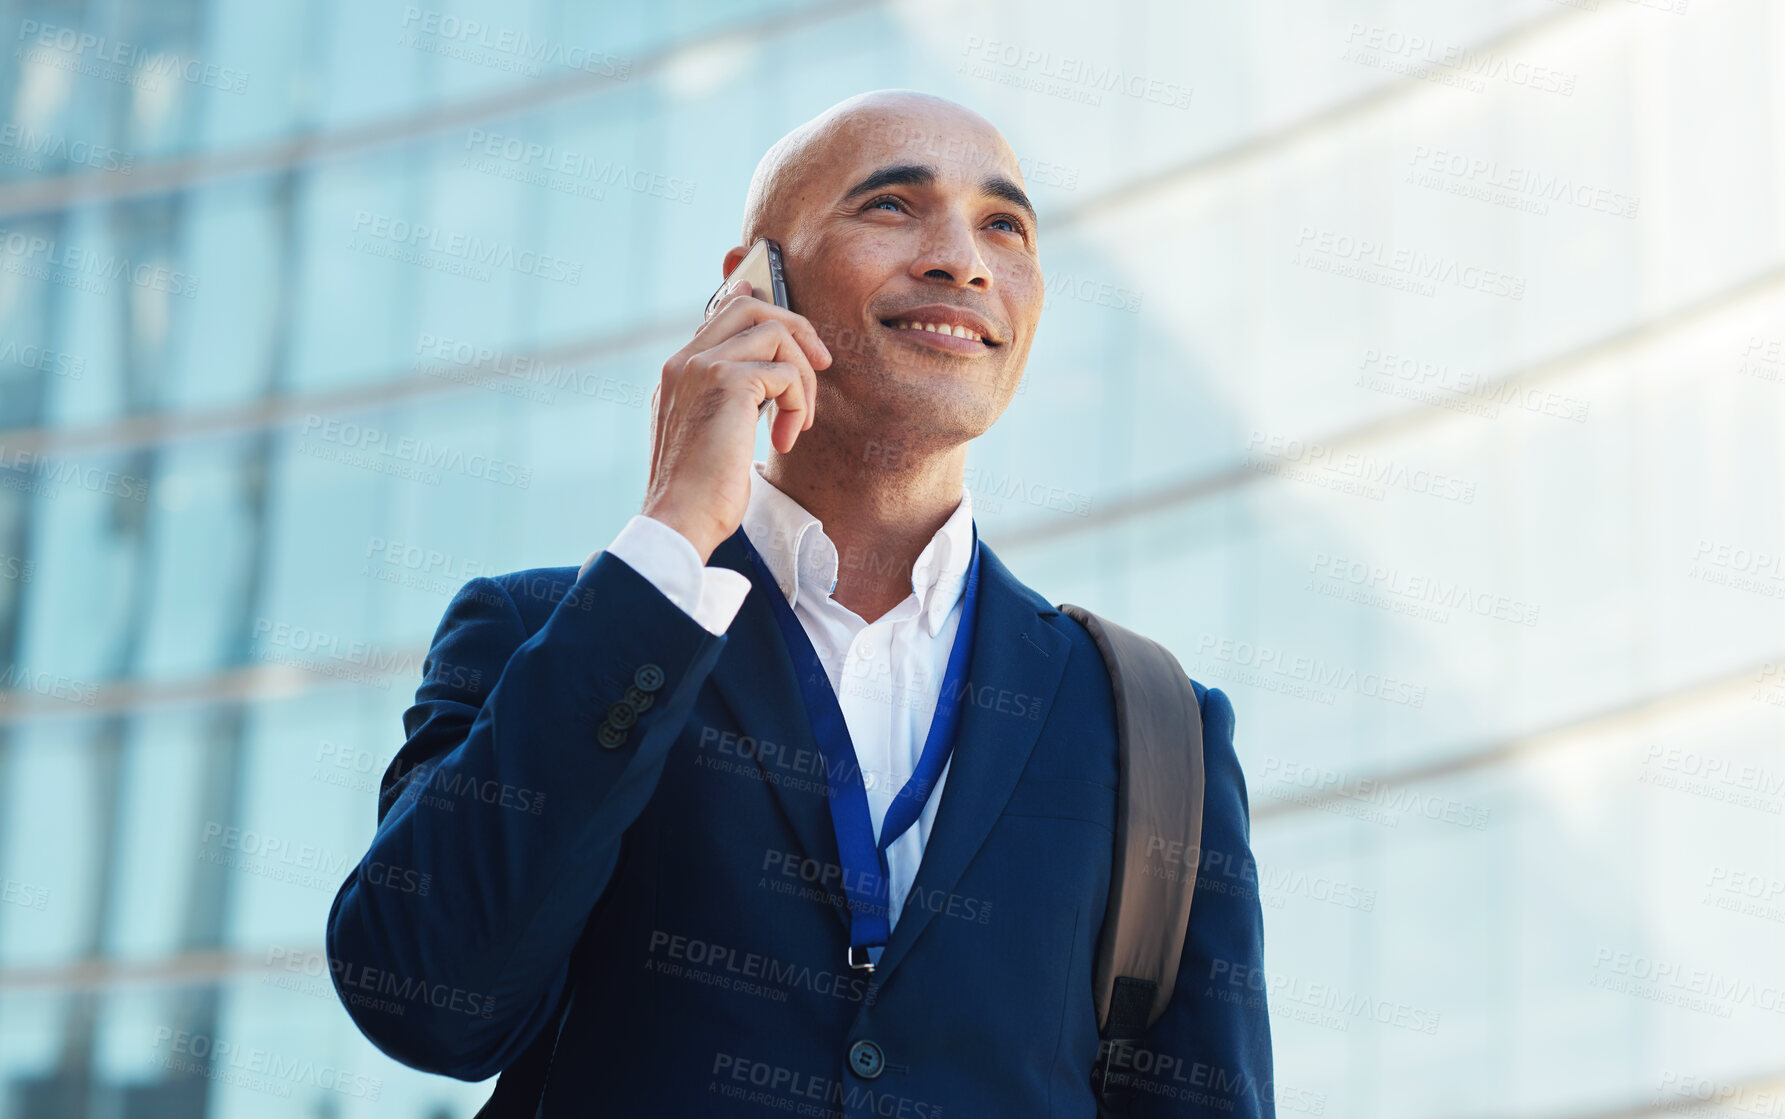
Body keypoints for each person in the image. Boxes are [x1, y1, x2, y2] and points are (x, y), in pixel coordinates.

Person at [326, 89, 1273, 1117]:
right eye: (892, 206)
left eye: (1005, 225)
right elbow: (427, 997)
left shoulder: (1153, 728)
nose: (962, 258)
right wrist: (675, 530)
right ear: (752, 286)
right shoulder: (543, 641)